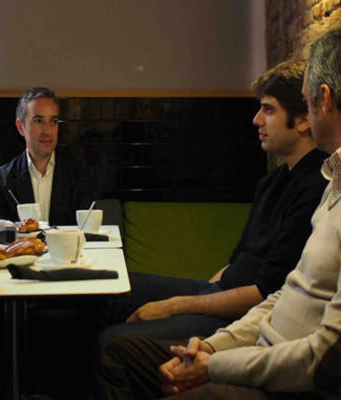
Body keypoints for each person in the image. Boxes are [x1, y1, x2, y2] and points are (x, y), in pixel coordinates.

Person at [95, 22, 341, 400]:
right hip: (265, 361)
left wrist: (213, 366)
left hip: (298, 389)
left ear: (324, 99)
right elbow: (288, 292)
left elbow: (337, 355)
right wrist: (217, 347)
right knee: (120, 353)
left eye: (305, 96)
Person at [96, 59, 328, 346]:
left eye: (268, 110)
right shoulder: (273, 181)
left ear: (303, 120)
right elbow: (239, 259)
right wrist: (202, 294)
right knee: (108, 288)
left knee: (114, 342)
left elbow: (265, 293)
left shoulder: (316, 187)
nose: (256, 119)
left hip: (242, 316)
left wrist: (175, 305)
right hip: (218, 292)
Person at [0, 86, 92, 225]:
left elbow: (87, 231)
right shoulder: (2, 179)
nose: (47, 131)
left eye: (53, 122)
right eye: (38, 121)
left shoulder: (78, 174)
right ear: (20, 127)